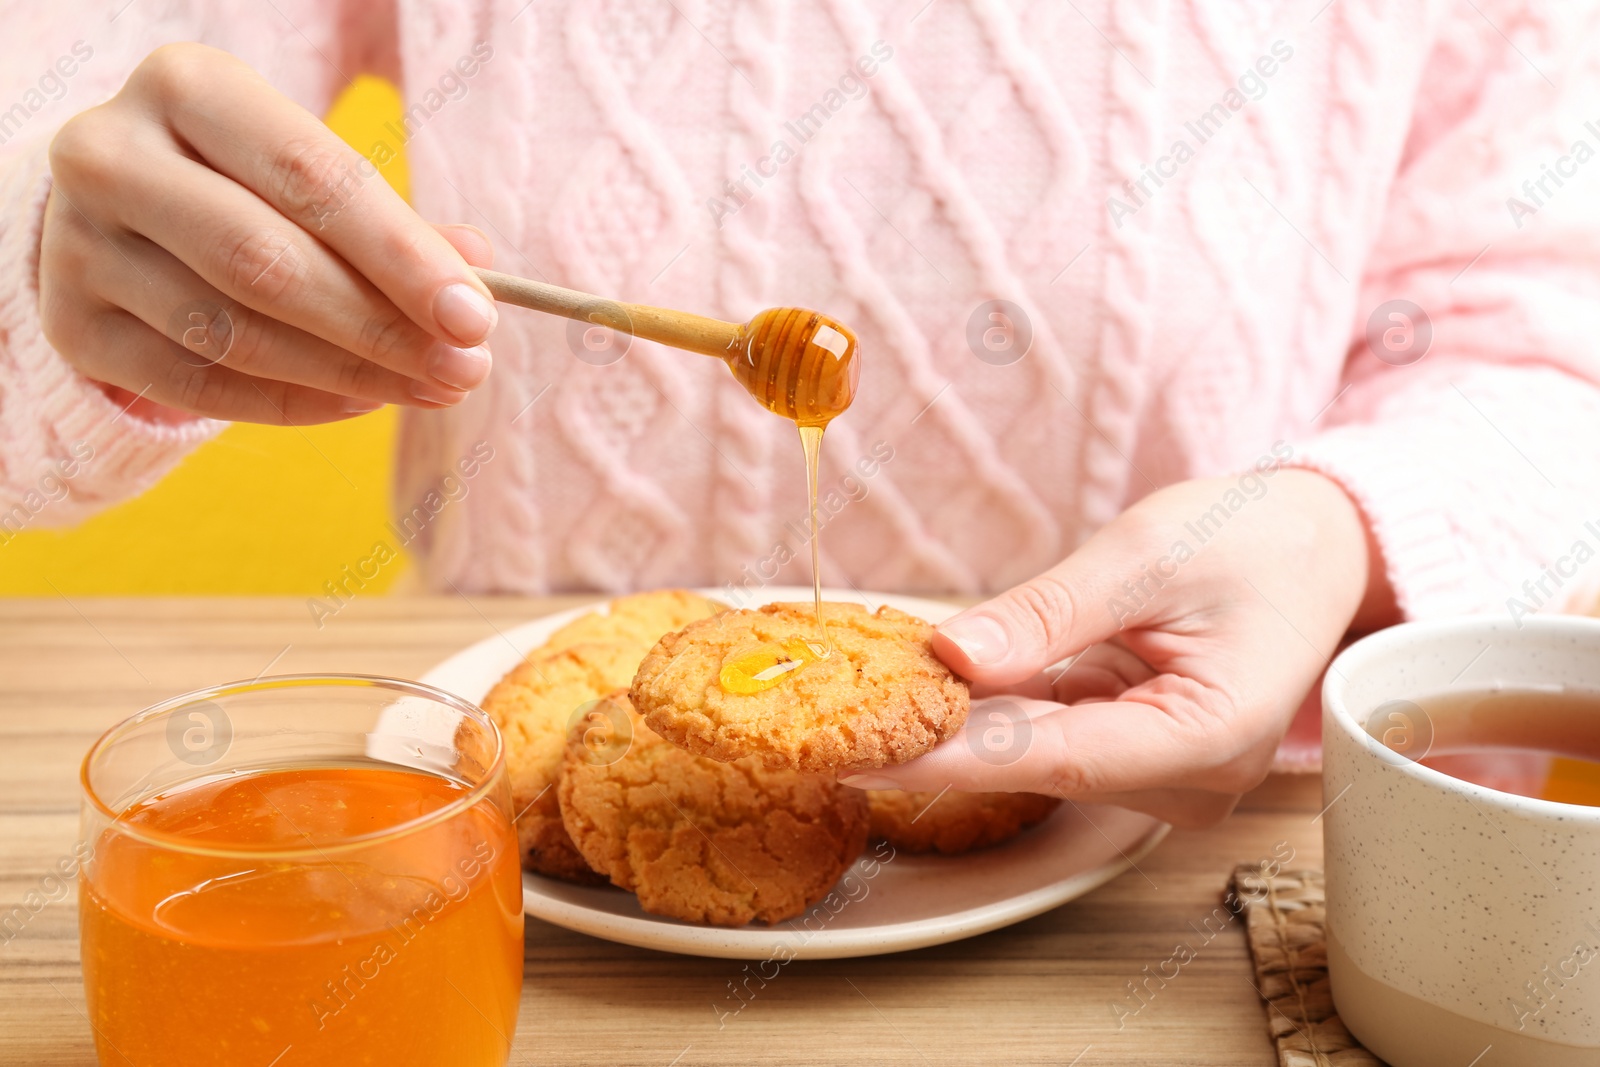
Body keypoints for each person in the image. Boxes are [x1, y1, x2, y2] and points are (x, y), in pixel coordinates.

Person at [4, 2, 1598, 827]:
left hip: (1201, 874)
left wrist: (1326, 530)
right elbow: (66, 157)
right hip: (498, 877)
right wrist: (70, 262)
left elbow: (1549, 341)